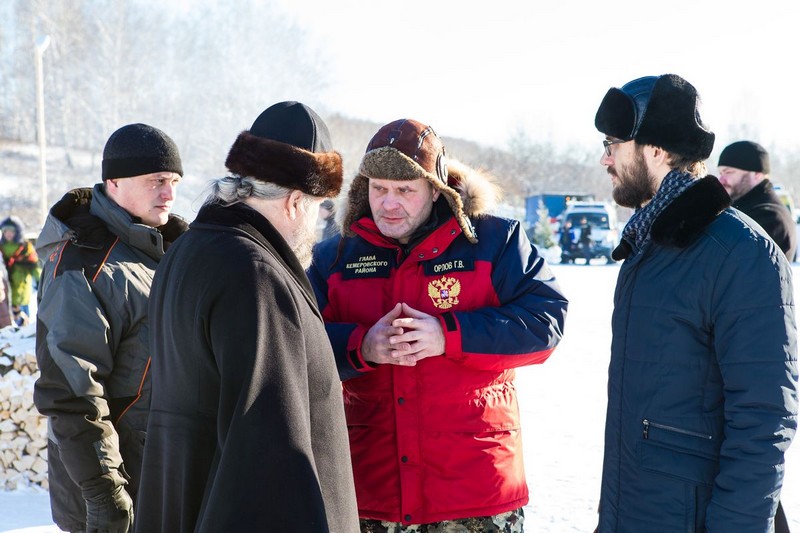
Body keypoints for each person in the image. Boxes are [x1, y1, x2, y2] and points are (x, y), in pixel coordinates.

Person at [308, 118, 568, 532]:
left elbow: (545, 322)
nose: (389, 204)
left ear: (436, 189)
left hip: (475, 494)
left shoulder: (495, 242)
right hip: (371, 493)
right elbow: (296, 345)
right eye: (379, 189)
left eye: (405, 191)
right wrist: (362, 345)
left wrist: (449, 335)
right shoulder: (333, 259)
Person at [135, 101, 359, 533]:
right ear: (295, 202)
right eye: (317, 207)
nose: (316, 223)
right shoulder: (256, 275)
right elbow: (269, 451)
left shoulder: (188, 250)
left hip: (183, 502)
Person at [594, 73, 797, 532]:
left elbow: (764, 419)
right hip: (636, 511)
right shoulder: (648, 246)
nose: (605, 159)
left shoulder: (739, 253)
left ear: (656, 150)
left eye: (614, 144)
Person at [33, 123, 186, 533]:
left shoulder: (164, 252)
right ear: (114, 181)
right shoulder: (85, 263)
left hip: (162, 479)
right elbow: (71, 390)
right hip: (114, 495)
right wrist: (105, 491)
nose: (169, 193)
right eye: (157, 181)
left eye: (173, 181)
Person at [717, 140, 797, 261]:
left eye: (728, 172)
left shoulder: (769, 217)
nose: (721, 180)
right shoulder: (746, 208)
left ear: (757, 174)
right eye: (720, 173)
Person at [0, 215, 41, 325]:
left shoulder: (25, 246)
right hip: (6, 287)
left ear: (17, 232)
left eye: (11, 231)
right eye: (5, 231)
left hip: (22, 285)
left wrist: (40, 280)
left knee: (23, 317)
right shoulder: (1, 247)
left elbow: (34, 264)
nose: (8, 233)